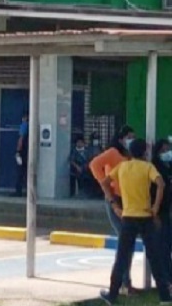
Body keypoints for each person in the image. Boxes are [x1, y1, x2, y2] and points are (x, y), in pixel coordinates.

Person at [98, 138, 171, 305]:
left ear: (130, 152)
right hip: (146, 217)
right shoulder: (148, 167)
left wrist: (114, 204)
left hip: (128, 217)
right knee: (155, 257)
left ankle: (112, 294)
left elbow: (104, 183)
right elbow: (161, 184)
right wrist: (155, 207)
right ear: (144, 152)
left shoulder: (122, 167)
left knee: (121, 257)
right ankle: (165, 297)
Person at [89, 125, 136, 294]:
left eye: (133, 137)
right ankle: (123, 283)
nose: (131, 140)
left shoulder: (130, 156)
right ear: (121, 137)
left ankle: (125, 282)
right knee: (125, 240)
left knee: (128, 241)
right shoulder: (113, 153)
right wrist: (105, 183)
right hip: (114, 199)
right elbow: (94, 165)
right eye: (129, 136)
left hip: (128, 200)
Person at [153, 138, 172, 283]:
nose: (166, 153)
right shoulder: (155, 167)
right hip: (163, 212)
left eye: (168, 150)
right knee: (164, 247)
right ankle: (167, 279)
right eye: (163, 151)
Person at [11, 112, 29, 197]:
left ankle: (18, 191)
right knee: (26, 172)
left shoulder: (24, 125)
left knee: (20, 172)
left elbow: (21, 139)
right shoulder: (33, 126)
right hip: (29, 153)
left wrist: (18, 151)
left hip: (23, 153)